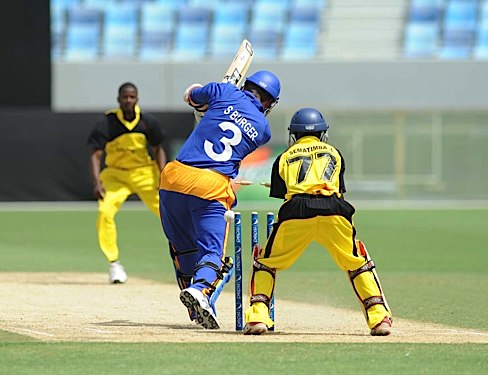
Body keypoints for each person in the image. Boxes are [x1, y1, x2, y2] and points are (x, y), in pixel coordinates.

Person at [243, 107, 393, 336]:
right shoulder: (334, 153)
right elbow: (338, 189)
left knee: (266, 262)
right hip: (334, 210)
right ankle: (379, 318)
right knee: (357, 262)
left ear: (294, 134)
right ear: (322, 133)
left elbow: (283, 194)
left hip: (297, 212)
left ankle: (257, 318)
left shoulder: (284, 156)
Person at [159, 71, 281, 329]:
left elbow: (190, 95)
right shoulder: (263, 130)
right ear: (269, 103)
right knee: (213, 252)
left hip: (173, 178)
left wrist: (210, 99)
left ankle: (198, 304)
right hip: (211, 185)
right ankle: (201, 290)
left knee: (183, 248)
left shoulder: (223, 91)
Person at [88, 82, 167, 284]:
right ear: (119, 99)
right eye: (125, 97)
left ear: (137, 99)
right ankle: (114, 264)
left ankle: (189, 252)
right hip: (116, 175)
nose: (128, 101)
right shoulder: (107, 122)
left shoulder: (148, 122)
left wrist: (163, 175)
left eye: (132, 97)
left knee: (169, 210)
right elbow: (96, 155)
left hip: (144, 173)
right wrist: (97, 182)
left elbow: (158, 149)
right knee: (105, 212)